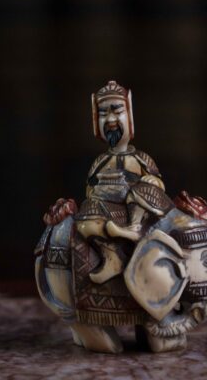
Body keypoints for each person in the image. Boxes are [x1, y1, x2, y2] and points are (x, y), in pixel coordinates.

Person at [75, 80, 174, 283]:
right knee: (85, 216)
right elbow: (89, 188)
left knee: (142, 189)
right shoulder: (100, 162)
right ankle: (112, 258)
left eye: (117, 111)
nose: (110, 119)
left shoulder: (141, 159)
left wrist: (151, 181)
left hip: (137, 212)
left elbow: (159, 186)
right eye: (103, 113)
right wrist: (97, 193)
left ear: (129, 116)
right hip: (108, 211)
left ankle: (134, 230)